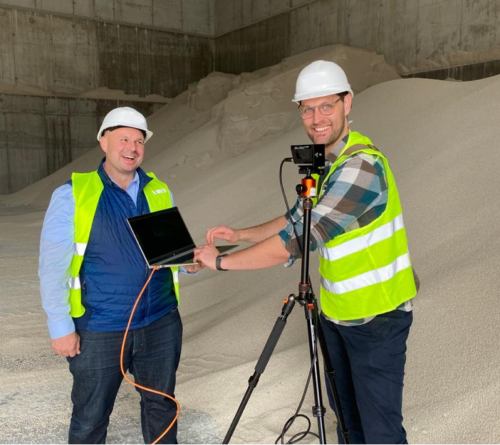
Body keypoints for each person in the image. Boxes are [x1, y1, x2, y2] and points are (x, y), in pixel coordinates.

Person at [194, 61, 418, 445]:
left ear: (347, 103)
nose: (316, 118)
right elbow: (293, 218)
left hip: (377, 320)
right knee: (347, 424)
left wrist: (221, 262)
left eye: (326, 106)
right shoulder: (329, 165)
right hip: (336, 316)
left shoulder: (361, 167)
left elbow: (300, 238)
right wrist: (241, 234)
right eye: (307, 108)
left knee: (381, 434)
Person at [39, 107, 196, 445]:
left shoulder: (158, 189)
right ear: (103, 142)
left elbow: (169, 248)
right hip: (100, 327)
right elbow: (52, 268)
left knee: (162, 408)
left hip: (160, 322)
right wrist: (60, 326)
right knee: (90, 418)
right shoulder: (73, 194)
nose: (132, 147)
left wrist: (187, 261)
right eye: (123, 138)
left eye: (139, 141)